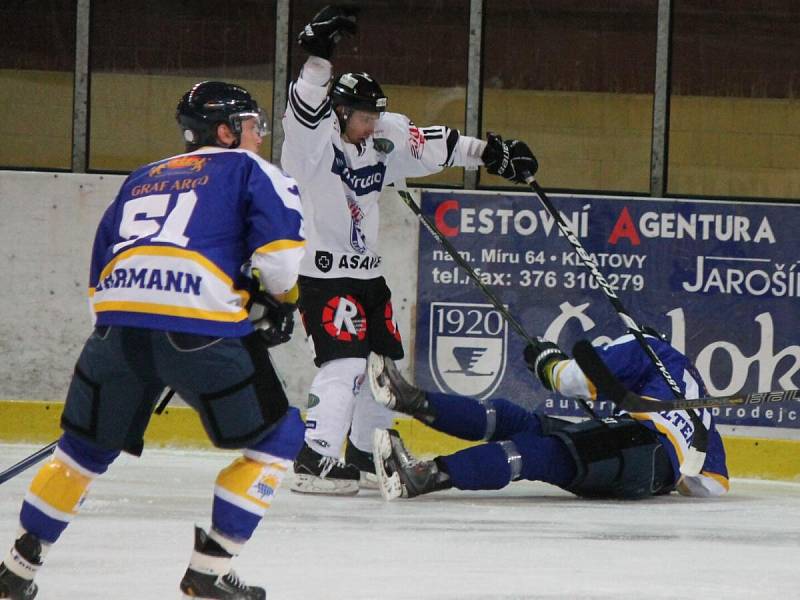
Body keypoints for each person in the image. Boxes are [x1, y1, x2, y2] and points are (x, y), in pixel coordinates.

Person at [0, 81, 306, 600]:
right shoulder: (251, 169)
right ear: (226, 131)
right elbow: (279, 261)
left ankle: (16, 571)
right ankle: (208, 570)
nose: (258, 136)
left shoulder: (142, 177)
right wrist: (284, 303)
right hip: (202, 331)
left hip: (116, 331)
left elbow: (98, 279)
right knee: (279, 438)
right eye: (252, 126)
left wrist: (143, 336)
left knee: (79, 454)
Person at [281, 5, 540, 495]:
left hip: (368, 277)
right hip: (323, 276)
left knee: (380, 367)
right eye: (362, 116)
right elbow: (302, 110)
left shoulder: (381, 136)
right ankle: (313, 459)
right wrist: (317, 59)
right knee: (344, 365)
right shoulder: (310, 148)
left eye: (375, 116)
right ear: (338, 112)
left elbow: (437, 144)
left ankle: (359, 450)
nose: (371, 125)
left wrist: (494, 155)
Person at [367, 333, 729, 501]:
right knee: (517, 421)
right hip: (643, 463)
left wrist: (547, 362)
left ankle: (423, 476)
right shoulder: (695, 393)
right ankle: (411, 399)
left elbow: (577, 378)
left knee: (541, 453)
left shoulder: (649, 347)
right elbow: (710, 483)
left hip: (637, 444)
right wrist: (664, 482)